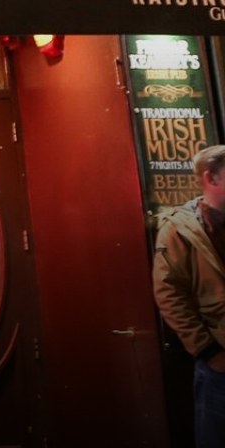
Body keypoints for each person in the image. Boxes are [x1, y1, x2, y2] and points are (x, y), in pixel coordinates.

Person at [152, 145, 225, 448]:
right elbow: (170, 294)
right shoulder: (180, 228)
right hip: (220, 361)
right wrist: (209, 353)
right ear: (211, 178)